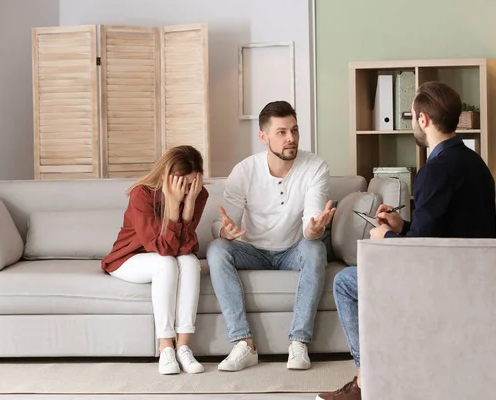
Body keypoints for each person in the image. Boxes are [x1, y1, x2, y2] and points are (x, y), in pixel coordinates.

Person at [317, 81, 496, 400]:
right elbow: (441, 231)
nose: (411, 122)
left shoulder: (435, 170)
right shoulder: (474, 163)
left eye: (412, 116)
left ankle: (365, 380)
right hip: (469, 273)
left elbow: (419, 252)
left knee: (345, 282)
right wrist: (401, 226)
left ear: (424, 120)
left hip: (439, 279)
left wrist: (384, 237)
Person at [207, 100, 334, 372]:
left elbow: (311, 219)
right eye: (282, 132)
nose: (291, 138)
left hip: (292, 250)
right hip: (252, 250)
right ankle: (244, 343)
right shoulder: (244, 171)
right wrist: (224, 230)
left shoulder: (315, 166)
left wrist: (314, 229)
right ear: (263, 137)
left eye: (295, 130)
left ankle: (299, 341)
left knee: (315, 247)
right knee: (217, 249)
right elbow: (223, 221)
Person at [102, 145, 209, 375]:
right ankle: (165, 347)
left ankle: (183, 346)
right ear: (166, 176)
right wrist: (172, 205)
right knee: (165, 263)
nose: (188, 189)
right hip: (128, 258)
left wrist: (189, 205)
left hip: (164, 255)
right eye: (183, 183)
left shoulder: (198, 195)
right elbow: (162, 248)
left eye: (192, 183)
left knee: (190, 262)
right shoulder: (142, 194)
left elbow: (187, 247)